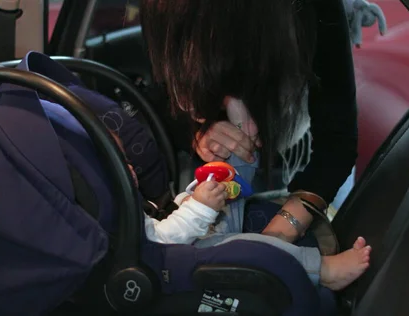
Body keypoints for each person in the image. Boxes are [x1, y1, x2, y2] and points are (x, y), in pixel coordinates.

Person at [140, 0, 358, 243]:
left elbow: (337, 140)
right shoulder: (166, 10)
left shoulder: (312, 11)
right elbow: (156, 98)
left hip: (301, 157)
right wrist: (195, 133)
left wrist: (285, 228)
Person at [110, 132, 371, 291]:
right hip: (177, 264)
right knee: (242, 247)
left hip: (188, 236)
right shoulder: (114, 216)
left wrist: (191, 198)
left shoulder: (124, 201)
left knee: (230, 179)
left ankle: (245, 144)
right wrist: (198, 209)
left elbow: (161, 221)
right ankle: (320, 270)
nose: (130, 168)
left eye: (127, 160)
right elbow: (156, 241)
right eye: (120, 163)